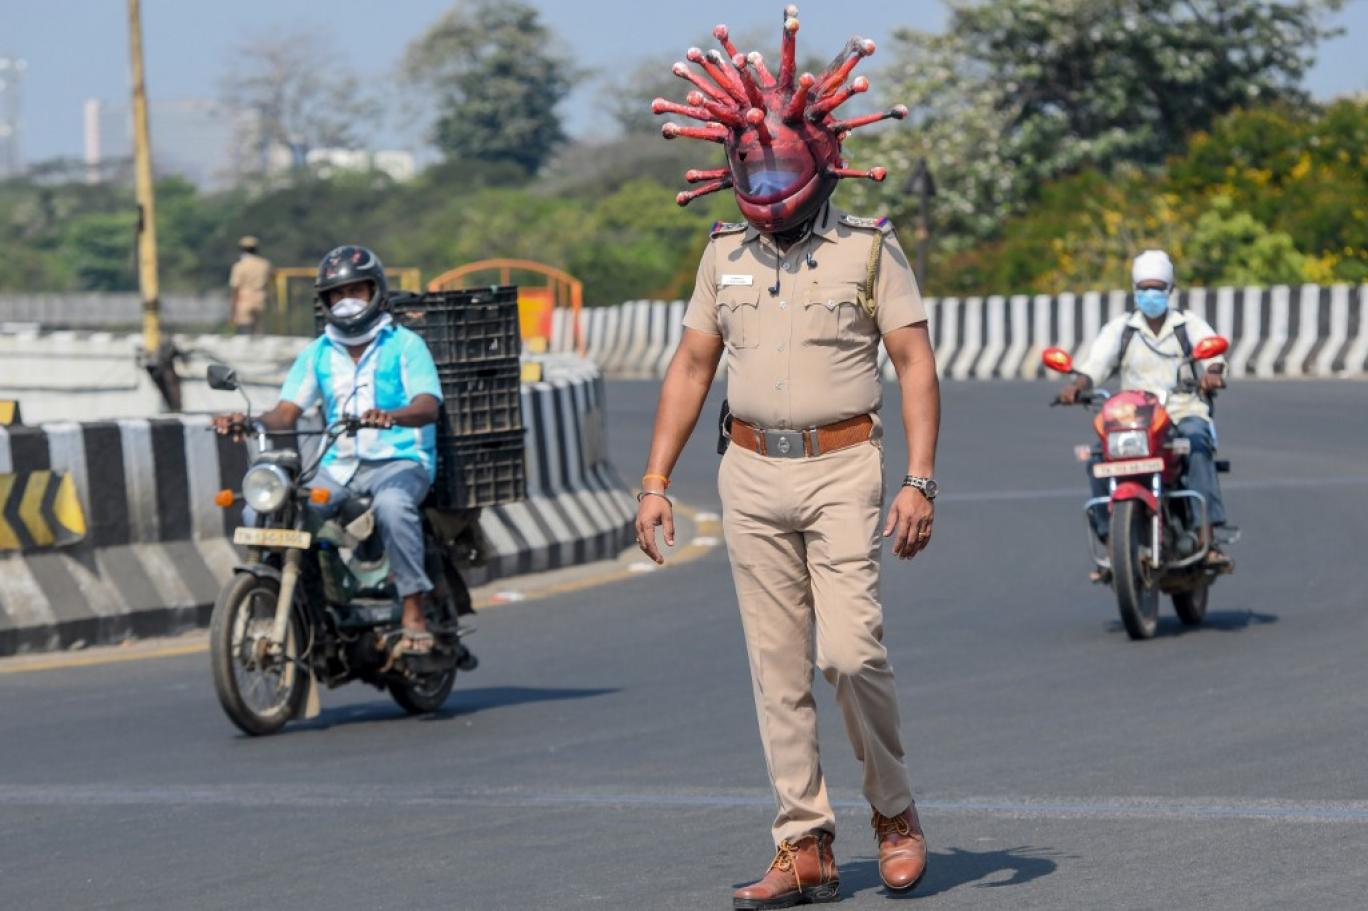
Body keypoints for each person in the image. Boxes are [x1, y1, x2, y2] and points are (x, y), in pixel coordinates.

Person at [638, 10, 939, 905]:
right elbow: (692, 367)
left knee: (849, 653)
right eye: (752, 168)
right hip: (749, 471)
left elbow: (916, 364)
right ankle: (802, 842)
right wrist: (656, 481)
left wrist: (920, 478)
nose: (766, 184)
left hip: (846, 466)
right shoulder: (721, 254)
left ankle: (894, 812)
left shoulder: (868, 249)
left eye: (780, 165)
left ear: (818, 162)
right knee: (776, 666)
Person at [214, 245, 443, 654]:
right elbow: (286, 413)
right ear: (326, 300)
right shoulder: (318, 352)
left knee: (393, 507)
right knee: (267, 508)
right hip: (337, 466)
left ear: (375, 291)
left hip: (401, 460)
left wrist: (392, 415)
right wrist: (248, 421)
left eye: (356, 290)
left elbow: (428, 405)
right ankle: (300, 602)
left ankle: (413, 609)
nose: (346, 300)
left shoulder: (405, 345)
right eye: (337, 293)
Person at [1058, 249, 1231, 574]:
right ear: (1135, 290)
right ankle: (1114, 548)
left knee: (1197, 443)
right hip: (1134, 418)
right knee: (1098, 458)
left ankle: (1207, 537)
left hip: (1181, 410)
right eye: (1144, 287)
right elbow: (1095, 363)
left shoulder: (1187, 324)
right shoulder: (1122, 329)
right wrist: (1077, 386)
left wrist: (1212, 373)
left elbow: (1211, 350)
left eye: (1157, 287)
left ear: (1169, 288)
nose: (1151, 294)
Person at [228, 235, 272, 335]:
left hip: (244, 299)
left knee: (244, 331)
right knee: (258, 331)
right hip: (260, 298)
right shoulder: (264, 264)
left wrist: (232, 311)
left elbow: (235, 287)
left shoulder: (239, 266)